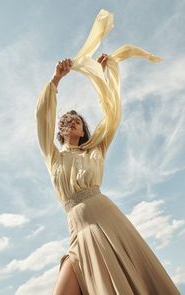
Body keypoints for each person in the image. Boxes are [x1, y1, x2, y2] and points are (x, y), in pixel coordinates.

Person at [35, 9, 181, 295]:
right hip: (78, 230)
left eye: (77, 119)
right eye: (67, 121)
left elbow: (112, 115)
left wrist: (106, 72)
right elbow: (42, 118)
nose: (73, 121)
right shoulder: (54, 157)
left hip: (108, 221)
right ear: (61, 130)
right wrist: (56, 80)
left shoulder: (95, 150)